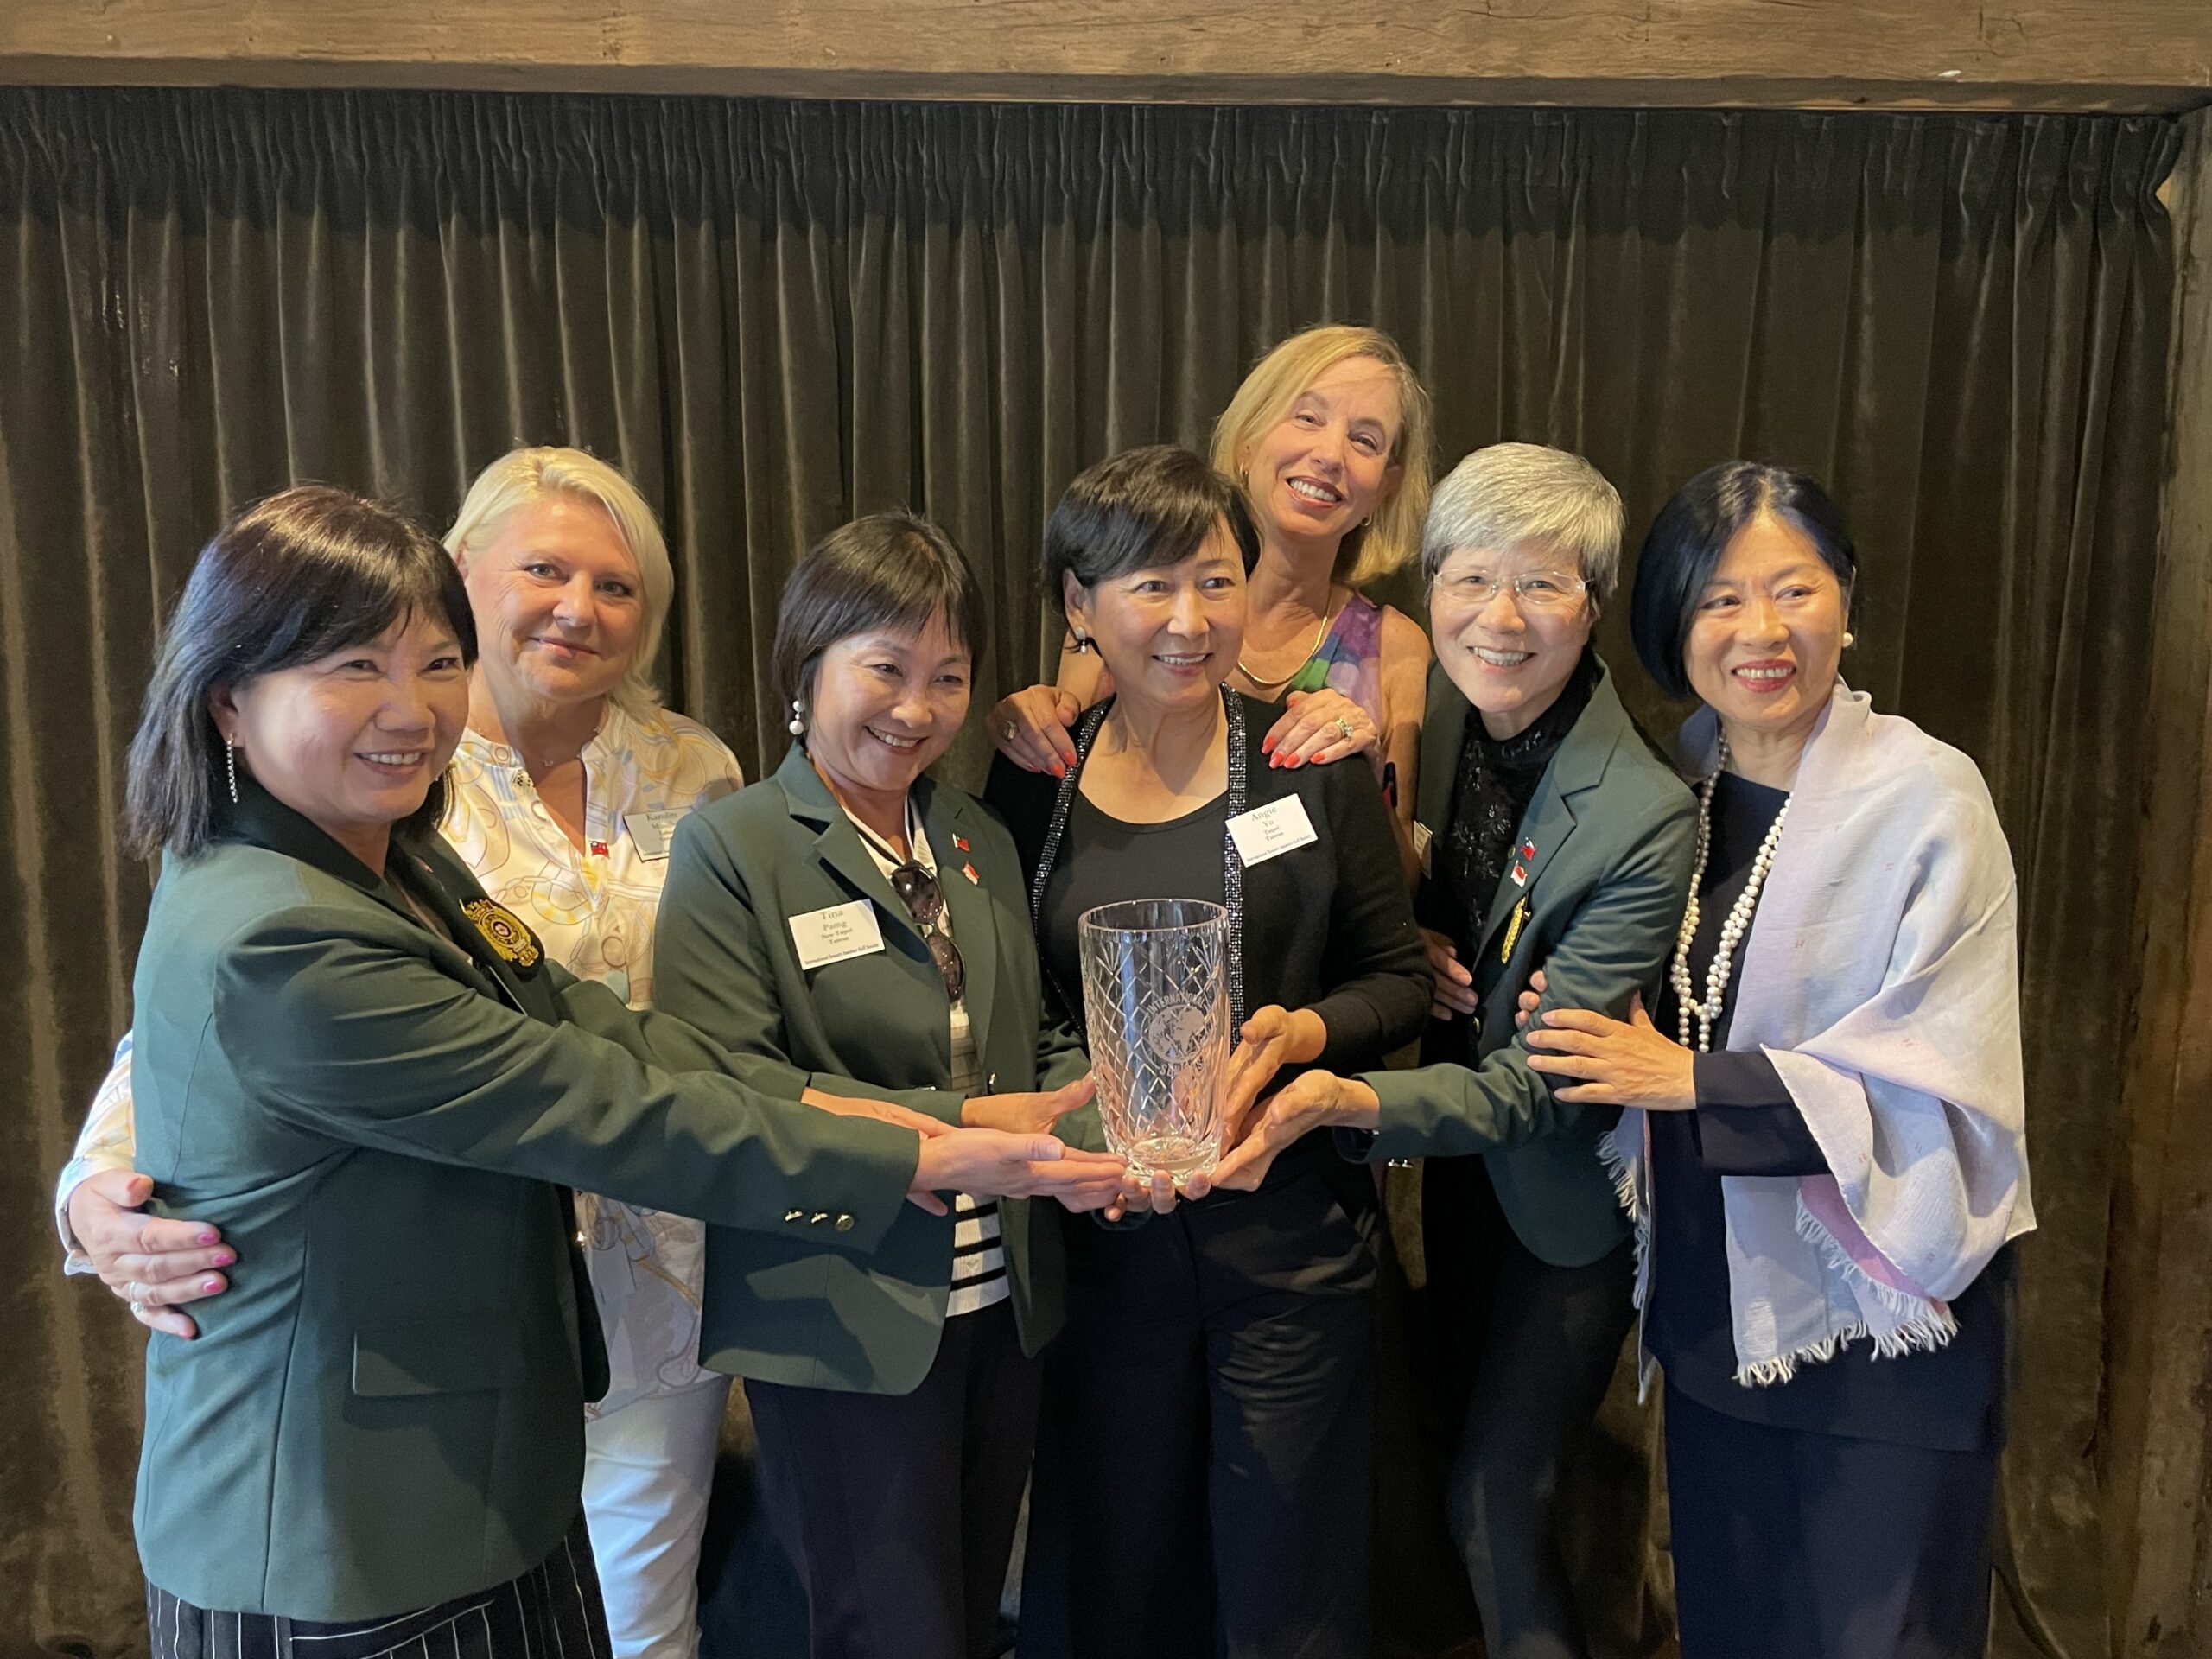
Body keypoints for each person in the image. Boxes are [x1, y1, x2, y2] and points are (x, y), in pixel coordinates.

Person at [105, 485, 1122, 1654]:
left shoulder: (394, 853)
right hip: (340, 1524)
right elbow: (601, 1106)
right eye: (354, 669)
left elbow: (599, 1026)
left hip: (505, 1429)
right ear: (228, 697)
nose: (410, 709)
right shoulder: (279, 927)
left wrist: (898, 1123)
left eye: (436, 665)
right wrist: (908, 1152)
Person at [1247, 462, 2037, 1658]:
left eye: (1792, 590)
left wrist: (1679, 1079)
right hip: (1711, 1267)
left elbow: (1940, 1067)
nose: (1758, 630)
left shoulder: (1911, 798)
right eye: (1720, 599)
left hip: (1875, 1300)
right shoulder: (1696, 766)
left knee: (1872, 1620)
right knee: (1731, 1603)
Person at [65, 448, 746, 1657]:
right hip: (431, 1306)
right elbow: (213, 1023)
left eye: (618, 584)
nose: (579, 609)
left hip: (659, 1259)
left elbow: (694, 1015)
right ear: (462, 575)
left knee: (643, 1604)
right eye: (544, 571)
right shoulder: (383, 765)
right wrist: (94, 1190)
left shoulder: (696, 768)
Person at [1210, 443, 1698, 1659]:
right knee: (1427, 1488)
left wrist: (1343, 1099)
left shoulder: (1641, 813)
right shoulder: (1433, 719)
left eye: (1541, 584)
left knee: (1494, 1503)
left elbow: (1543, 1084)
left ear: (1595, 603)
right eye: (1472, 578)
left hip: (1563, 1203)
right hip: (1458, 1190)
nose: (1501, 617)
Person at [987, 446, 1431, 1659]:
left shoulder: (1308, 761)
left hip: (1287, 1247)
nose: (1190, 622)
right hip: (1105, 1247)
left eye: (1216, 582)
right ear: (1079, 604)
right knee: (1121, 1586)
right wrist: (1079, 1118)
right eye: (1151, 586)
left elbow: (1399, 981)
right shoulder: (1036, 779)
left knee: (1289, 1591)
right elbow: (1010, 1000)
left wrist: (1306, 1032)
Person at [645, 514, 1105, 1659]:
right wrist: (968, 1128)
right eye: (886, 668)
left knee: (968, 1617)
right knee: (888, 1633)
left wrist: (1108, 1132)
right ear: (807, 670)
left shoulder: (974, 834)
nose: (917, 707)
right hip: (840, 1305)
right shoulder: (736, 844)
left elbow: (1039, 1035)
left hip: (1002, 1301)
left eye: (948, 676)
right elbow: (728, 1081)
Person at [990, 324, 1435, 856]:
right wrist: (1025, 724)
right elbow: (1058, 792)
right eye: (1307, 417)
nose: (1331, 454)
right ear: (1248, 440)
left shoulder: (1396, 646)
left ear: (1385, 487)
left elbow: (1402, 878)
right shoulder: (1120, 617)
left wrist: (1363, 778)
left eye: (1365, 440)